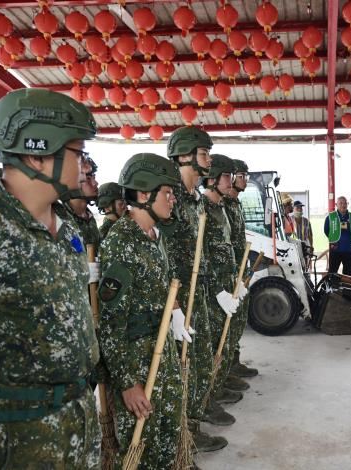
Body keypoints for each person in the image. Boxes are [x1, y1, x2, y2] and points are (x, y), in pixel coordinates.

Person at [0, 88, 100, 467]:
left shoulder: (65, 225)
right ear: (38, 154)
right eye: (77, 152)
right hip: (11, 443)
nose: (84, 164)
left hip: (75, 429)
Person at [98, 153, 190, 469]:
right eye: (167, 192)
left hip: (161, 354)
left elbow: (161, 288)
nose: (173, 199)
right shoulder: (121, 241)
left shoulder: (155, 236)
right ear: (142, 194)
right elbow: (111, 322)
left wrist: (175, 312)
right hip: (137, 361)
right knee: (141, 447)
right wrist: (127, 382)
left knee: (166, 438)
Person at [165, 126, 227, 452]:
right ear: (183, 156)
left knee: (200, 360)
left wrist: (216, 288)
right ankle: (182, 435)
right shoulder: (169, 197)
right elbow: (162, 254)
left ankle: (194, 422)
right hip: (178, 297)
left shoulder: (196, 200)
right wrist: (174, 305)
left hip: (198, 291)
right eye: (204, 153)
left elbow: (203, 252)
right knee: (182, 366)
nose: (209, 159)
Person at [200, 154, 239, 427]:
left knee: (223, 341)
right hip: (211, 289)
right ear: (212, 178)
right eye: (227, 176)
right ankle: (207, 398)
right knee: (212, 344)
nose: (231, 181)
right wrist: (217, 290)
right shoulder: (202, 208)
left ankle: (218, 385)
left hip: (226, 282)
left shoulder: (220, 207)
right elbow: (201, 255)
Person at [224, 158, 259, 383]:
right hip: (229, 271)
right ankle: (225, 369)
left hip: (240, 268)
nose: (245, 180)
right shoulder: (224, 205)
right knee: (228, 322)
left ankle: (234, 362)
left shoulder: (236, 204)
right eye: (241, 176)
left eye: (246, 176)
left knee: (238, 320)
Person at [55, 156, 100, 249]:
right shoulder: (59, 218)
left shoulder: (88, 216)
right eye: (88, 178)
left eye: (94, 177)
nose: (95, 183)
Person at [324, 196, 351, 276]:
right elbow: (326, 231)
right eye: (341, 203)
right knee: (332, 274)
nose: (343, 205)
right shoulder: (330, 217)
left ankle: (346, 285)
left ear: (348, 204)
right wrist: (334, 237)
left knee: (348, 275)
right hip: (335, 250)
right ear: (336, 204)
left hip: (348, 250)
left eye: (345, 203)